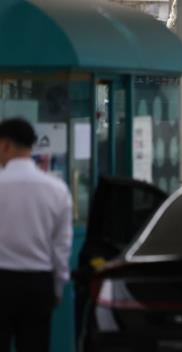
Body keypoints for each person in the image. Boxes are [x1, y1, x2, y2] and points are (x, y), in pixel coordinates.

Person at [0, 118, 72, 352]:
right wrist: (58, 285)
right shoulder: (56, 189)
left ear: (5, 145)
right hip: (38, 284)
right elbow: (62, 245)